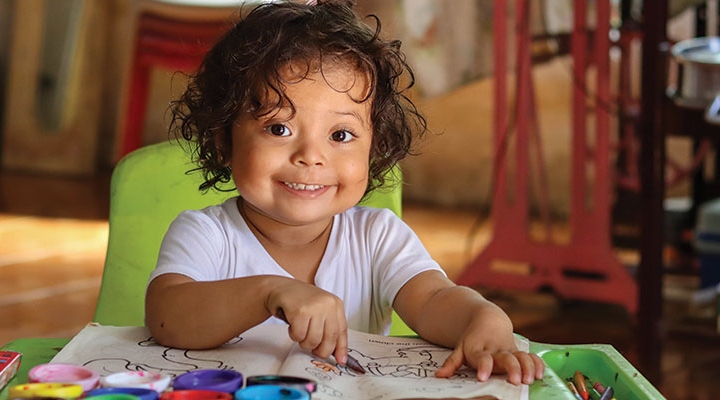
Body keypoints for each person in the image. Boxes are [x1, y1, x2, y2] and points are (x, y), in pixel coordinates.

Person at [144, 0, 544, 385]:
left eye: (341, 135)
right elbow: (167, 315)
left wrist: (484, 319)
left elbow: (435, 299)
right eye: (279, 128)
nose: (311, 156)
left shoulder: (377, 236)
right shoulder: (206, 233)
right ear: (224, 142)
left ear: (374, 148)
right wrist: (269, 291)